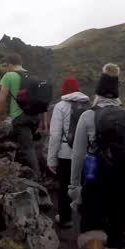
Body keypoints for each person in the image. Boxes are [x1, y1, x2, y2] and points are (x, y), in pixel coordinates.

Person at [68, 63, 125, 249]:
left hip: (96, 176)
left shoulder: (88, 116)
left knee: (92, 219)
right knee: (120, 229)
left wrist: (74, 185)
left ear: (97, 94)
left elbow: (78, 154)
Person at [46, 76, 90, 228]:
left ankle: (65, 219)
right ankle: (86, 218)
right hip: (85, 153)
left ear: (64, 89)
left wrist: (51, 159)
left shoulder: (61, 106)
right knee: (84, 185)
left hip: (66, 153)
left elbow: (55, 135)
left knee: (65, 186)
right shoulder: (88, 105)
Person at [0, 53, 43, 175]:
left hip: (20, 117)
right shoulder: (33, 75)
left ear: (9, 64)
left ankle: (36, 178)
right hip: (35, 116)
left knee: (27, 148)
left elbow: (1, 98)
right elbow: (40, 99)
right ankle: (32, 170)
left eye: (6, 65)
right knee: (29, 145)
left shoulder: (9, 75)